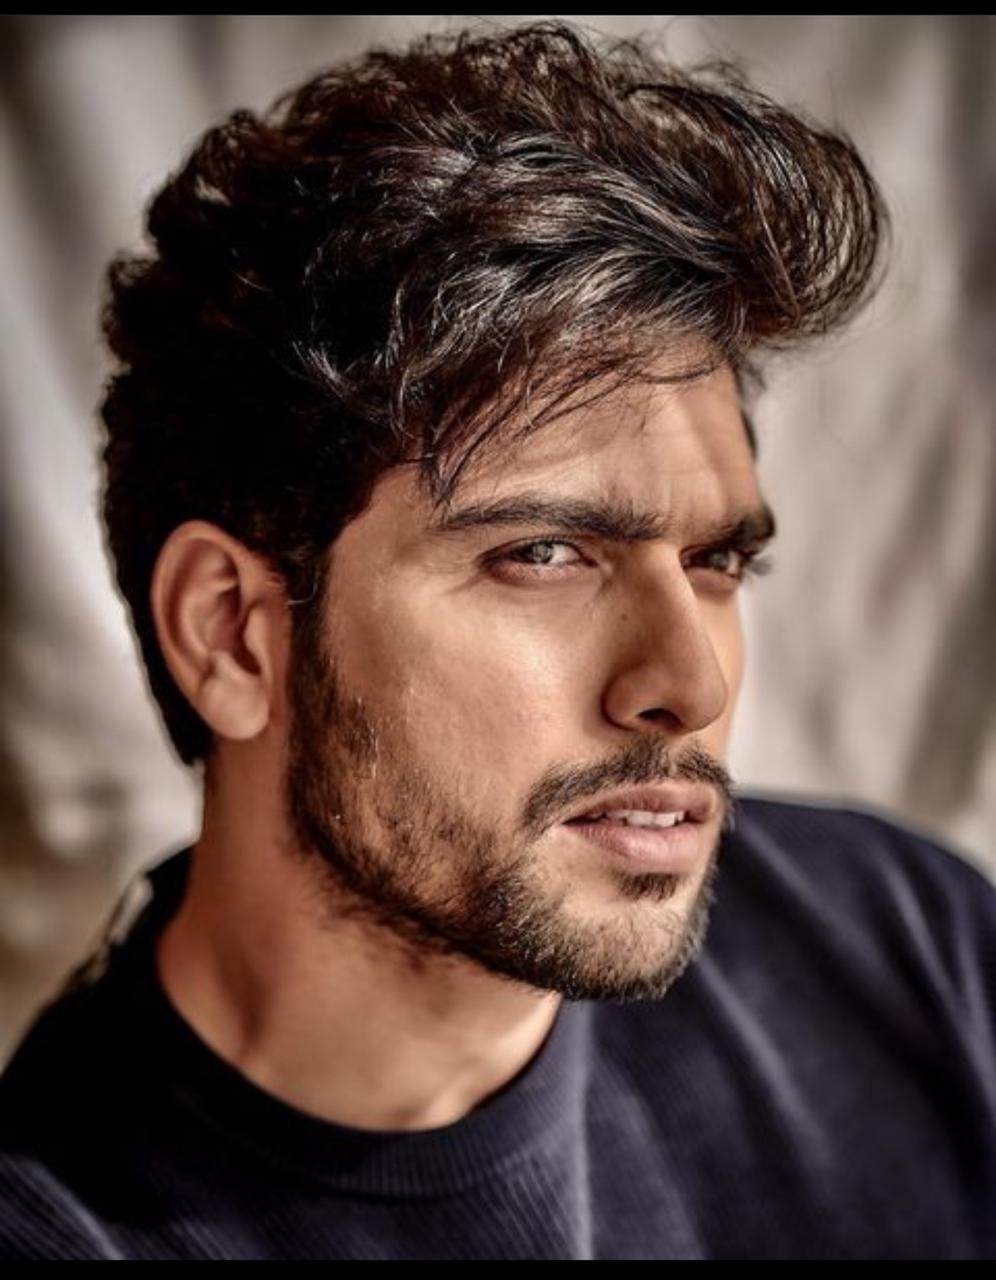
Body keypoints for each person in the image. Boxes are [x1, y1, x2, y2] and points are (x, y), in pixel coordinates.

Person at [0, 18, 993, 1261]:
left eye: (715, 561)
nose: (689, 684)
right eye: (544, 553)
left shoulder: (911, 943)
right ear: (232, 634)